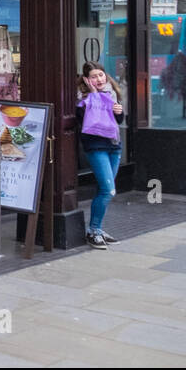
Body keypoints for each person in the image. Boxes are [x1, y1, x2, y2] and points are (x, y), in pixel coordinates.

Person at [76, 61, 124, 249]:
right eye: (94, 76)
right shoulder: (82, 98)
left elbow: (118, 121)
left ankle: (97, 229)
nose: (99, 79)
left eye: (101, 75)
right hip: (96, 147)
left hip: (114, 145)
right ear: (87, 80)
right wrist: (94, 96)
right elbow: (85, 122)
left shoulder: (112, 93)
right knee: (108, 190)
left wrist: (118, 112)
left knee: (105, 190)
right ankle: (93, 231)